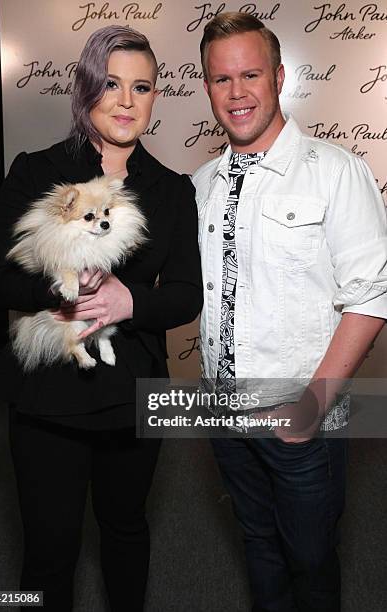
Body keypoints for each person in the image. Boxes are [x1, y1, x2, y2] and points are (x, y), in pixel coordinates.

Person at [0, 25, 202, 611]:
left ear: (156, 97)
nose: (127, 101)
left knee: (126, 531)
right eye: (111, 84)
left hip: (133, 392)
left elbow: (185, 296)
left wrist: (132, 301)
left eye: (142, 87)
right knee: (49, 548)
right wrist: (63, 289)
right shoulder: (36, 171)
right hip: (48, 394)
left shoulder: (174, 190)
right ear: (86, 89)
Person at [192, 12, 386, 612]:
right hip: (222, 408)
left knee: (310, 558)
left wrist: (311, 407)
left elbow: (371, 297)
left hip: (302, 413)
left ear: (279, 77)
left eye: (250, 74)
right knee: (258, 543)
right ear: (207, 88)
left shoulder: (336, 172)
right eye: (221, 79)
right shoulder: (200, 184)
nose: (237, 92)